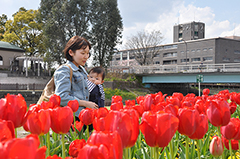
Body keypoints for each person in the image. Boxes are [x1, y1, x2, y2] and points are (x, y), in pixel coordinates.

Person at [54, 36, 99, 120]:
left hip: (84, 117)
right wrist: (85, 103)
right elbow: (61, 97)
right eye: (83, 53)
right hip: (71, 118)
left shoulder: (82, 70)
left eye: (88, 53)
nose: (86, 56)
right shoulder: (64, 70)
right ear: (71, 52)